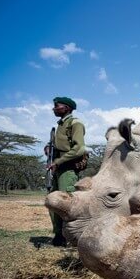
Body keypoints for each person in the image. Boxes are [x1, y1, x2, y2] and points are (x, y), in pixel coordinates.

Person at [46, 96, 87, 247]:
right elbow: (61, 145)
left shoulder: (75, 124)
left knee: (67, 205)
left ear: (67, 108)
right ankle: (59, 236)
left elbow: (79, 149)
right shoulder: (60, 125)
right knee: (53, 202)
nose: (54, 109)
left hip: (68, 170)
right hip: (57, 169)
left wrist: (58, 161)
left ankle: (72, 238)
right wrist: (49, 148)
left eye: (58, 106)